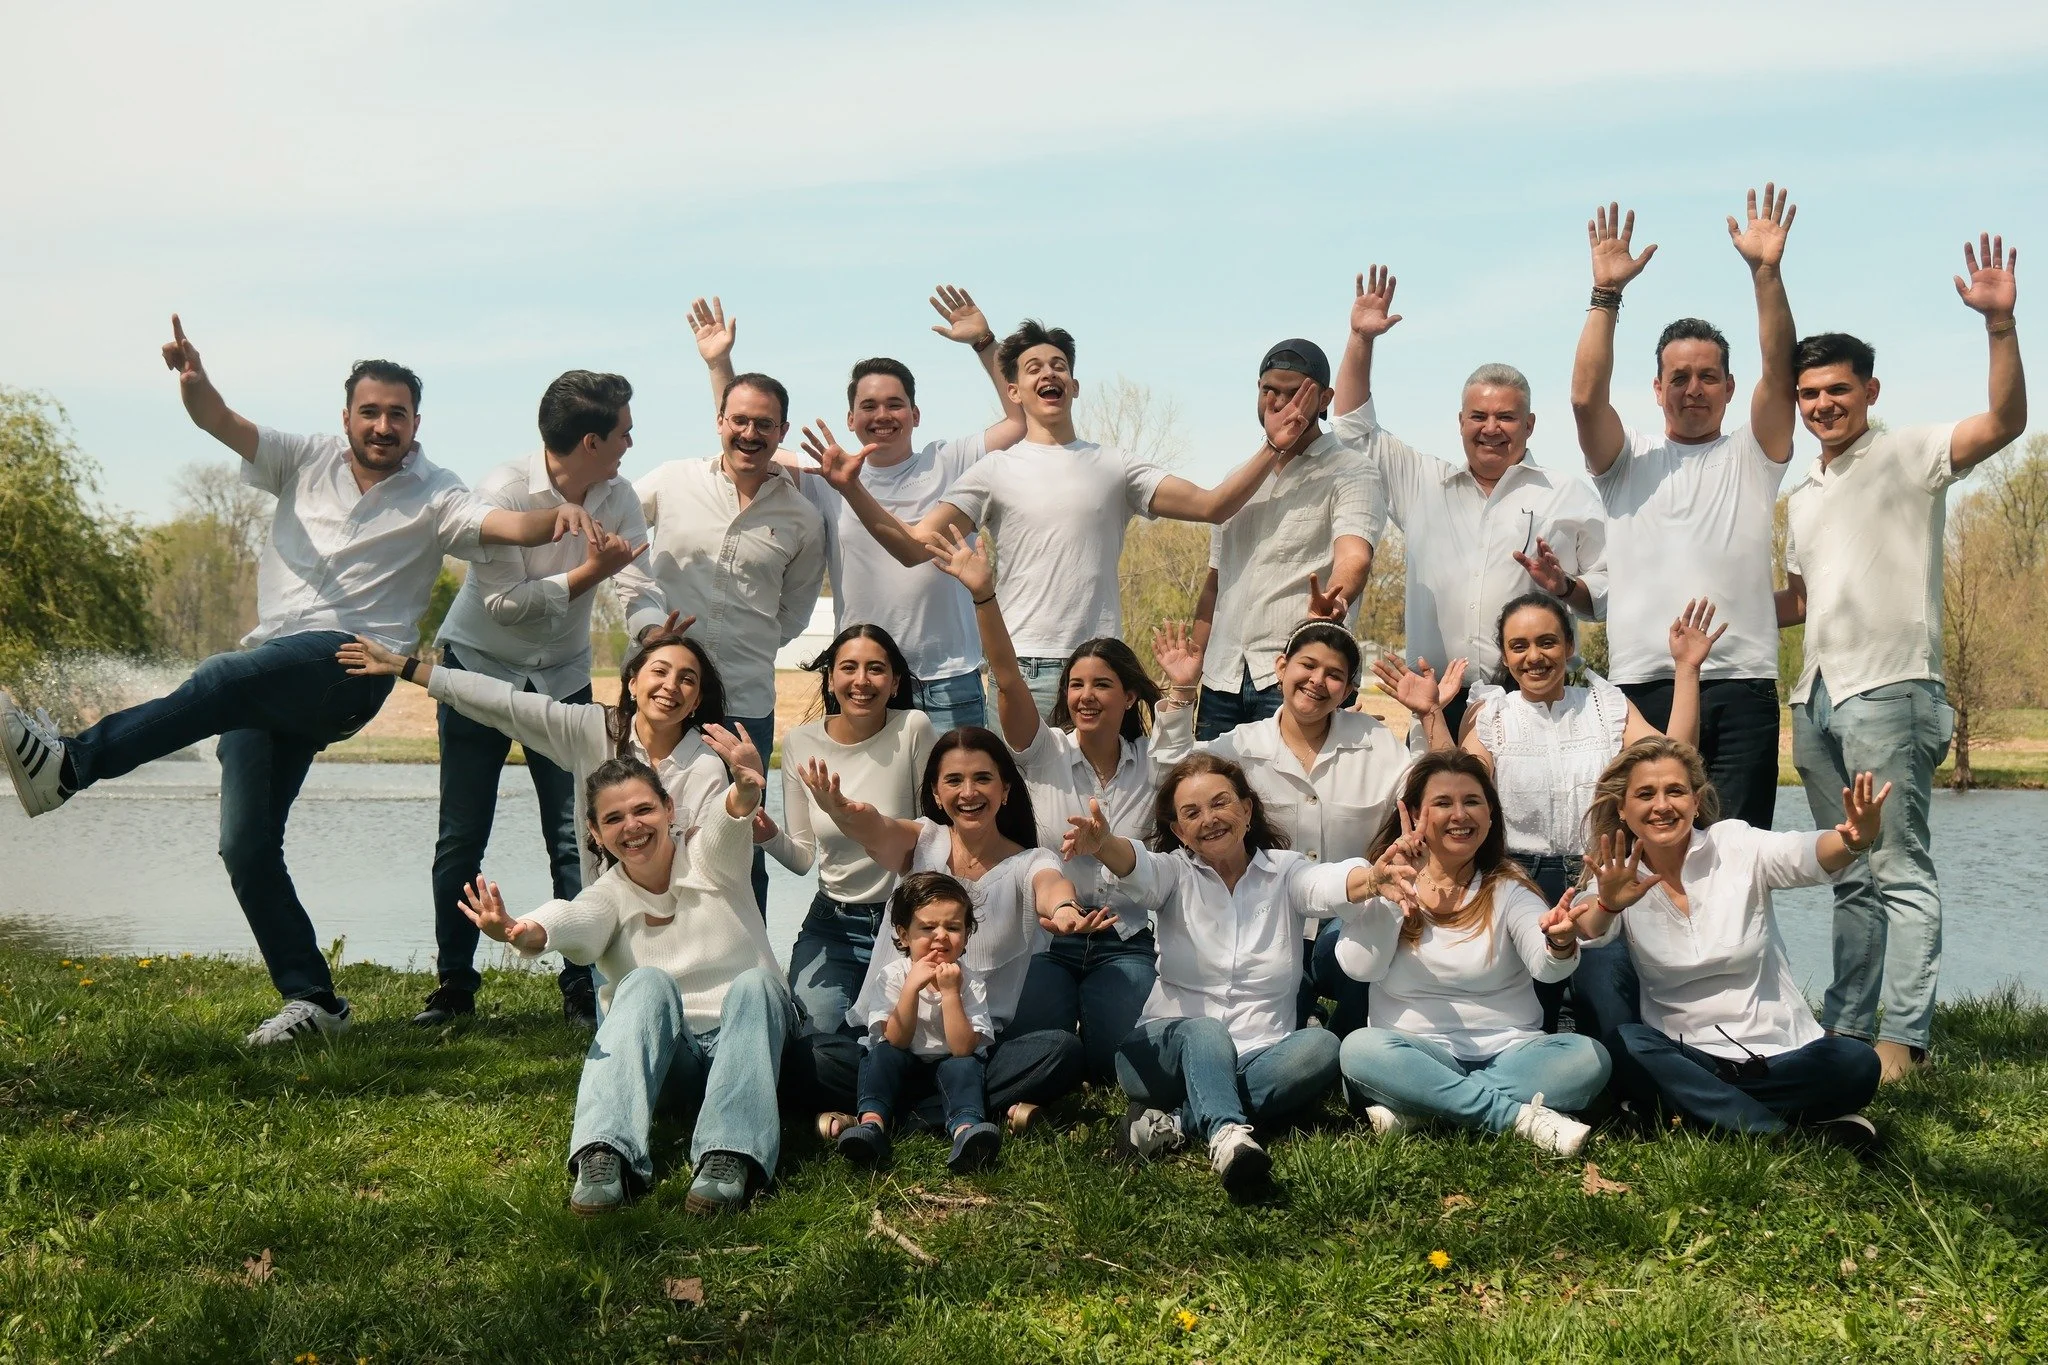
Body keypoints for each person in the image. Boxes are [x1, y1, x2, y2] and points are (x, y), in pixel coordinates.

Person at [1, 320, 601, 1046]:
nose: (383, 425)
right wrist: (195, 384)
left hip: (349, 667)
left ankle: (69, 765)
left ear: (417, 423)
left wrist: (551, 522)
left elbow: (495, 521)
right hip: (270, 671)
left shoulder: (434, 491)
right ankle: (314, 999)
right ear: (345, 415)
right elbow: (224, 423)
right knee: (246, 843)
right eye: (370, 411)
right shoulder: (302, 457)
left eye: (398, 414)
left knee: (221, 675)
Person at [1778, 233, 2026, 1083]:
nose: (1821, 405)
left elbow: (2006, 422)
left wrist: (2000, 327)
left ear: (1869, 391)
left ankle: (1904, 1041)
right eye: (1808, 393)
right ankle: (1846, 1032)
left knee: (1900, 870)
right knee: (1849, 872)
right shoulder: (1803, 495)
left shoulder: (1910, 452)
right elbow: (1801, 601)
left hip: (1890, 691)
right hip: (1813, 698)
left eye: (1836, 390)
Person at [801, 319, 1322, 717]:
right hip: (1022, 670)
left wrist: (1271, 447)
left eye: (1058, 366)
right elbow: (913, 546)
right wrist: (850, 488)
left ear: (1073, 385)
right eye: (1033, 368)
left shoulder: (1116, 466)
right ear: (1015, 393)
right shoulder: (992, 471)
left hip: (1102, 665)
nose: (1048, 373)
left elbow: (1213, 505)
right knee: (1022, 828)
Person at [417, 369, 666, 1029]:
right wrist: (591, 571)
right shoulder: (502, 490)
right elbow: (505, 604)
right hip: (479, 668)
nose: (630, 441)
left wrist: (651, 630)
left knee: (575, 838)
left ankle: (583, 986)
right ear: (591, 439)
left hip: (562, 674)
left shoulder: (618, 496)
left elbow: (639, 579)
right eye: (623, 430)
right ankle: (453, 988)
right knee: (462, 834)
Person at [456, 751, 795, 1216]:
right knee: (645, 983)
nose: (632, 826)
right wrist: (521, 929)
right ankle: (605, 1154)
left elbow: (728, 822)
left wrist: (745, 791)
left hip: (751, 1045)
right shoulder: (608, 895)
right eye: (613, 818)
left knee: (756, 984)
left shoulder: (711, 858)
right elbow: (573, 917)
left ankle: (730, 1155)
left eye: (643, 810)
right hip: (673, 1063)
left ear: (669, 809)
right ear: (595, 833)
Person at [1064, 755, 1409, 1196]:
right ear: (1179, 831)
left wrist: (1373, 879)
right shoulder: (1174, 874)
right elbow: (1138, 866)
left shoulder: (1285, 872)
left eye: (1220, 803)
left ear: (1247, 810)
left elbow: (1325, 883)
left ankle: (1174, 1123)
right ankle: (1227, 1135)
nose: (1208, 820)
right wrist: (1105, 843)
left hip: (1259, 1053)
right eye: (1191, 813)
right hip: (1160, 1055)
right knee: (1206, 1032)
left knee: (1322, 1045)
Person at [689, 289, 1026, 731]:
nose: (881, 415)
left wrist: (986, 344)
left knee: (956, 799)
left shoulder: (952, 459)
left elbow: (1020, 421)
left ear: (915, 413)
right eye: (868, 406)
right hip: (862, 678)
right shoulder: (829, 476)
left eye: (894, 404)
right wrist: (720, 365)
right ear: (850, 419)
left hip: (948, 678)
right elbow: (750, 438)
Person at [1569, 188, 1801, 827]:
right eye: (1679, 377)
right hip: (1641, 687)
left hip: (1741, 686)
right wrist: (1606, 297)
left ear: (1729, 387)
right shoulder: (1626, 465)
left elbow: (1782, 376)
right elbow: (1586, 400)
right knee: (1640, 862)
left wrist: (1766, 275)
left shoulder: (1753, 456)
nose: (1692, 389)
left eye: (1707, 377)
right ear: (1657, 388)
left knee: (1734, 857)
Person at [925, 525, 1184, 1082]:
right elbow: (1008, 678)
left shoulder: (1154, 766)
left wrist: (1184, 691)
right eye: (1075, 685)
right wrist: (983, 595)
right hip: (1045, 944)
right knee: (1038, 1051)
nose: (1085, 696)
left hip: (1124, 942)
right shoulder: (1041, 752)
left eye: (1102, 684)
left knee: (1117, 1066)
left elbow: (1186, 754)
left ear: (1130, 695)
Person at [1567, 738, 1887, 1146]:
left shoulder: (1735, 844)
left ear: (1697, 802)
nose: (1662, 805)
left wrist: (1854, 840)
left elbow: (1806, 853)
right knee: (1628, 1046)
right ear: (1624, 811)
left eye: (1675, 791)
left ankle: (1693, 1112)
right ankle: (1783, 1134)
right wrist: (1610, 904)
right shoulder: (1615, 876)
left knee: (1856, 1062)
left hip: (1781, 1053)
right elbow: (1589, 926)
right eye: (1645, 794)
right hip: (1688, 1056)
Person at [1329, 268, 1607, 738]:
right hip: (1435, 698)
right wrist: (1360, 339)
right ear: (1460, 421)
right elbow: (1354, 429)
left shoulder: (1567, 493)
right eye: (1478, 416)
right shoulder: (1421, 482)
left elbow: (1606, 591)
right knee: (1441, 812)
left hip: (1535, 701)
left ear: (1531, 424)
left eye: (1506, 417)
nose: (1491, 427)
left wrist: (1564, 587)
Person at [1152, 619, 1459, 1037]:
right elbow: (1172, 782)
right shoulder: (1241, 745)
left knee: (1377, 956)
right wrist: (1184, 692)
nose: (1317, 681)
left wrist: (1430, 713)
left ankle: (1349, 1041)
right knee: (1279, 1038)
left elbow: (1445, 790)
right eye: (1307, 666)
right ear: (1281, 667)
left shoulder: (1375, 743)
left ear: (1349, 690)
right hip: (1264, 926)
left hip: (1346, 921)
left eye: (1334, 675)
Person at [336, 625, 745, 921]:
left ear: (696, 702)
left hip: (687, 920)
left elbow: (713, 867)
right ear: (633, 682)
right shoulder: (591, 729)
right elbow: (502, 703)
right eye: (660, 672)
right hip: (609, 917)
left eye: (687, 679)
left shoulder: (706, 765)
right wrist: (404, 667)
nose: (671, 686)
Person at [798, 728, 1093, 1134]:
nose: (968, 792)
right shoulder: (924, 840)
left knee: (1062, 1051)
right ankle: (957, 1114)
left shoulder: (1030, 861)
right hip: (889, 1046)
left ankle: (882, 1113)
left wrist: (1065, 911)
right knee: (808, 1056)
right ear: (936, 794)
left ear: (1005, 789)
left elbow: (1053, 887)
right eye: (953, 780)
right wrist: (843, 811)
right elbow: (877, 829)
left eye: (982, 778)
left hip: (968, 1054)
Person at [1460, 591, 1723, 1033]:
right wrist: (1430, 715)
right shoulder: (1492, 714)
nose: (1534, 657)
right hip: (1516, 882)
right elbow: (1459, 787)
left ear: (1569, 646)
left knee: (1610, 1010)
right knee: (1527, 1020)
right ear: (1505, 656)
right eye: (1518, 646)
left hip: (1601, 880)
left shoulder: (1605, 706)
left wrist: (1687, 669)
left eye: (1547, 642)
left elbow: (1673, 756)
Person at [1332, 751, 1611, 1156]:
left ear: (1491, 816)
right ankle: (1517, 1118)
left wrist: (1560, 943)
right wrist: (1395, 897)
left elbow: (1546, 968)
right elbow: (1360, 968)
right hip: (1413, 1051)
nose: (1460, 815)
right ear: (1413, 814)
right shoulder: (1382, 883)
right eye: (1443, 803)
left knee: (1590, 1057)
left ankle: (1424, 1108)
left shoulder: (1509, 887)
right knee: (1360, 1050)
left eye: (1473, 802)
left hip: (1511, 1054)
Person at [635, 367, 827, 910]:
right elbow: (616, 538)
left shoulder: (803, 519)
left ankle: (749, 978)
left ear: (782, 431)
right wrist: (645, 630)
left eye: (763, 424)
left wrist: (746, 640)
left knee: (741, 837)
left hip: (744, 700)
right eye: (739, 420)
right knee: (647, 830)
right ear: (719, 422)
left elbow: (792, 613)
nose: (750, 433)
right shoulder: (672, 481)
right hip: (661, 695)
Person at [1190, 332, 1382, 738]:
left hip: (1294, 676)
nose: (1279, 403)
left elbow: (1355, 556)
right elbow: (1215, 581)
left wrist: (1339, 596)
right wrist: (1193, 661)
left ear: (1325, 399)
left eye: (1295, 394)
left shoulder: (1351, 470)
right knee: (1216, 797)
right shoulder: (1238, 479)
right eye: (1268, 391)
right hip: (1219, 678)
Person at [765, 623, 936, 1035]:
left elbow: (932, 834)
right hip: (833, 922)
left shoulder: (913, 728)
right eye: (849, 668)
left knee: (904, 1042)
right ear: (830, 678)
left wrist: (849, 816)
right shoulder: (800, 743)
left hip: (905, 923)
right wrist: (766, 833)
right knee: (813, 1044)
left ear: (895, 683)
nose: (862, 681)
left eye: (876, 669)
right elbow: (804, 858)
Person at [836, 871, 1003, 1173]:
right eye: (927, 927)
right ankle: (872, 1124)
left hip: (949, 1070)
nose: (940, 936)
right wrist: (911, 988)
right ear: (903, 935)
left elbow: (963, 1049)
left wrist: (951, 993)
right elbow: (896, 1040)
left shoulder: (970, 982)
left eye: (953, 927)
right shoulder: (893, 976)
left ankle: (966, 1132)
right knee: (876, 1055)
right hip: (900, 1067)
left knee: (966, 1067)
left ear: (966, 936)